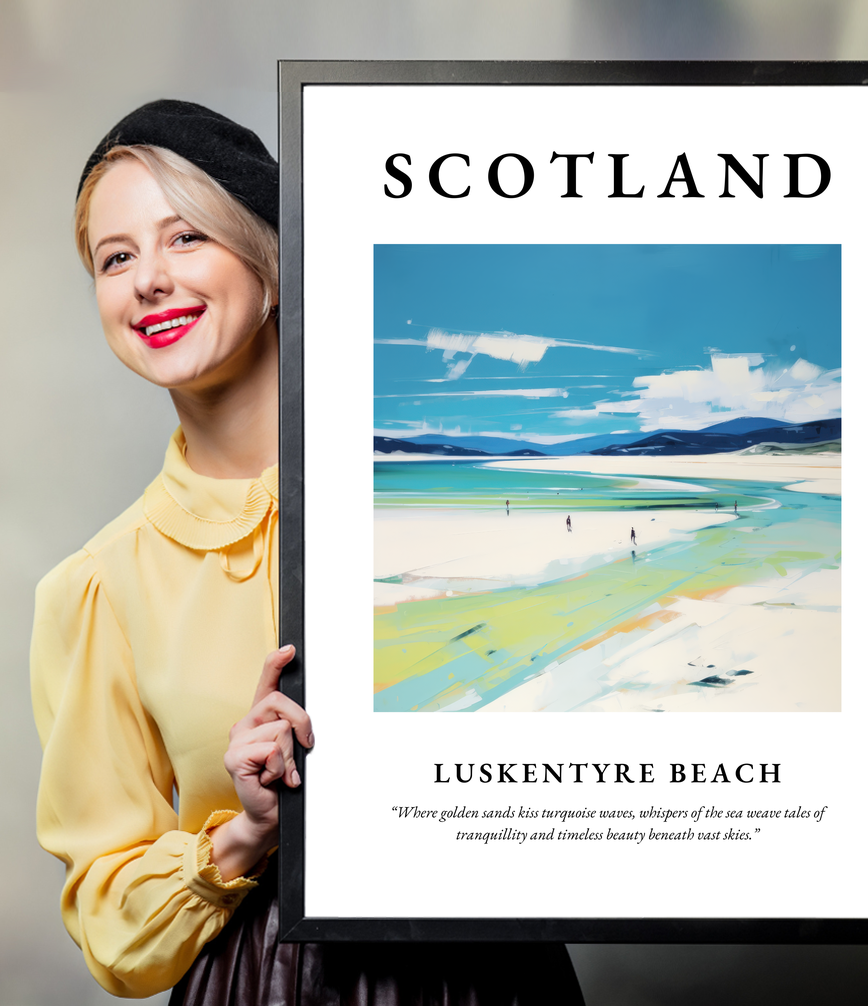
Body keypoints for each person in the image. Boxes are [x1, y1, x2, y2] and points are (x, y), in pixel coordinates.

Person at [30, 100, 584, 1004]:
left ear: (273, 263)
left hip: (493, 972)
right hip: (263, 981)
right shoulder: (98, 587)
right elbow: (110, 923)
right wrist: (244, 832)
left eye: (186, 238)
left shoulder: (439, 499)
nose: (148, 281)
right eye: (116, 257)